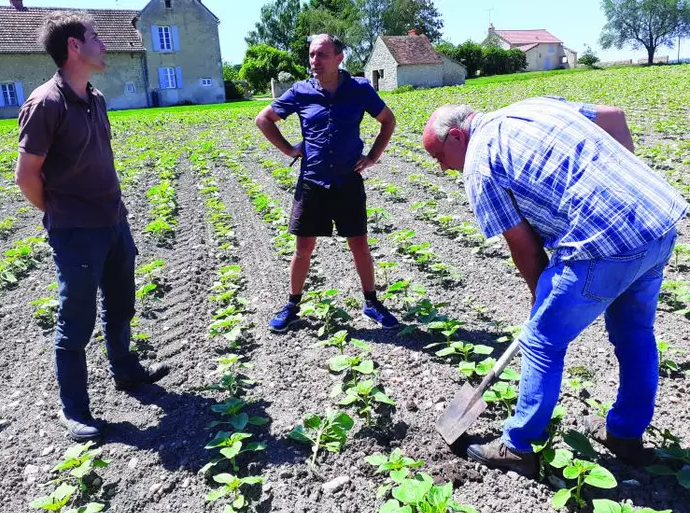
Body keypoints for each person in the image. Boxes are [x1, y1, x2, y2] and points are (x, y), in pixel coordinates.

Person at [422, 97, 687, 477]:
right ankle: (625, 435)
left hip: (603, 245)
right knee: (636, 335)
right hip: (656, 220)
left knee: (542, 341)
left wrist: (538, 304)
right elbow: (614, 116)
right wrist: (619, 196)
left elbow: (526, 250)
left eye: (438, 157)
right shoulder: (534, 106)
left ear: (458, 137)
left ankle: (518, 446)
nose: (442, 167)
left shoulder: (479, 163)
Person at [15, 12, 169, 441]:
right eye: (95, 37)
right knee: (75, 322)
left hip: (113, 223)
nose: (103, 43)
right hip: (76, 232)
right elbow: (26, 175)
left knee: (120, 304)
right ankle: (76, 411)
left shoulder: (95, 98)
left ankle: (125, 371)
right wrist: (60, 213)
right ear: (74, 48)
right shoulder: (45, 103)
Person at [255, 34, 400, 333]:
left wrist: (373, 156)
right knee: (303, 247)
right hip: (313, 182)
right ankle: (292, 305)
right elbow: (263, 119)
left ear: (339, 58)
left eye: (321, 55)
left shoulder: (359, 89)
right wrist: (289, 149)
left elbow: (388, 120)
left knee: (359, 244)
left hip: (348, 181)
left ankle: (371, 302)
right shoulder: (301, 91)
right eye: (311, 55)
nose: (314, 61)